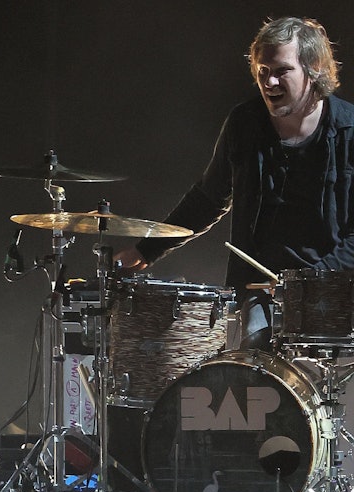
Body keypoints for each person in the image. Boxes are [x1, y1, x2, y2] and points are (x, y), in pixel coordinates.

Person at [115, 16, 354, 349]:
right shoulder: (245, 123)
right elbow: (208, 199)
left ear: (314, 70)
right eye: (262, 71)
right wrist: (147, 248)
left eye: (282, 71)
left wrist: (310, 282)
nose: (269, 82)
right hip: (260, 291)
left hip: (334, 290)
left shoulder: (349, 131)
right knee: (251, 364)